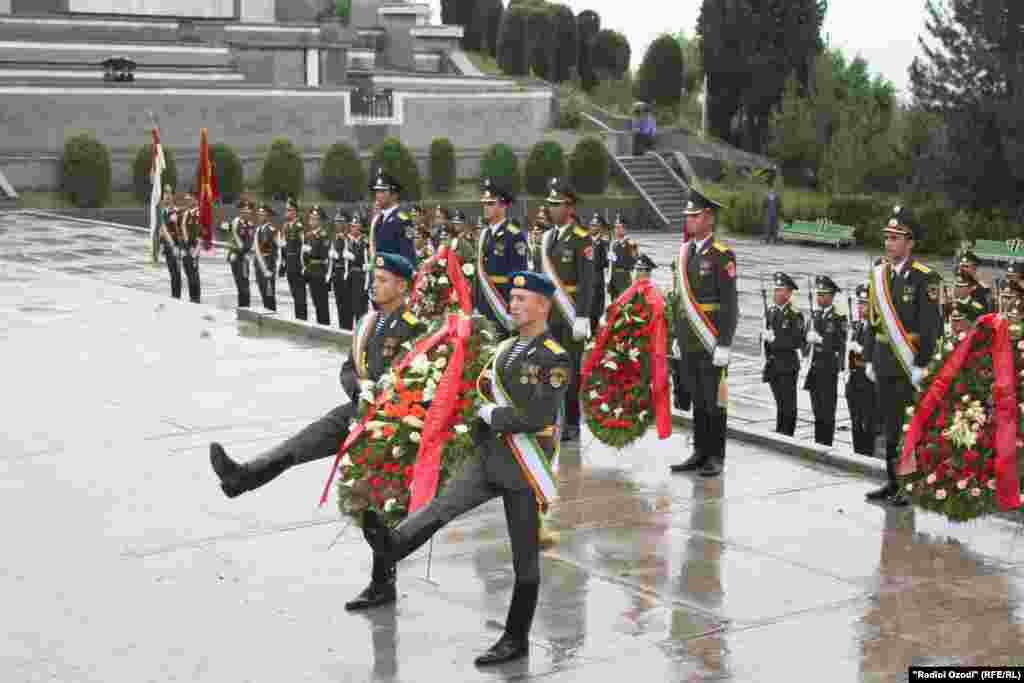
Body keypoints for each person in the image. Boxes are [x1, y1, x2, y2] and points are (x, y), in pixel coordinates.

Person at [357, 270, 571, 667]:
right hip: (489, 455)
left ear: (543, 305)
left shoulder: (554, 355)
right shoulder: (507, 347)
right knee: (442, 505)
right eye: (513, 297)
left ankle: (515, 637)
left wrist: (494, 413)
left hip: (524, 464)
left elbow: (540, 411)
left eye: (523, 299)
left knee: (524, 557)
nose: (514, 304)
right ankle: (392, 545)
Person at [209, 253, 425, 499]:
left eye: (383, 280)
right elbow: (348, 368)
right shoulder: (368, 321)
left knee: (380, 496)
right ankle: (241, 477)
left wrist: (380, 394)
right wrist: (359, 389)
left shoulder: (414, 326)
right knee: (301, 444)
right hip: (359, 407)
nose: (374, 285)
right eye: (374, 278)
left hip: (393, 419)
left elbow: (415, 376)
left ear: (402, 286)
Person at [862, 206, 942, 506]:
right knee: (888, 427)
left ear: (910, 242)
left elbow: (930, 326)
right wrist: (869, 357)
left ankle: (908, 487)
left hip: (908, 365)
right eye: (887, 237)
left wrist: (922, 364)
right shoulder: (879, 274)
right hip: (883, 360)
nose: (889, 243)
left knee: (907, 428)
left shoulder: (925, 277)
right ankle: (892, 482)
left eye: (895, 238)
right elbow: (872, 321)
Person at [669, 188, 737, 477]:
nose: (690, 221)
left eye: (695, 216)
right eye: (688, 217)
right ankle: (699, 451)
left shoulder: (721, 255)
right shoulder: (685, 253)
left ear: (709, 218)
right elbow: (678, 299)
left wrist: (724, 343)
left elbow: (729, 303)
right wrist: (675, 336)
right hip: (688, 338)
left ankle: (715, 456)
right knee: (697, 397)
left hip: (710, 341)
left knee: (714, 401)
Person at [537, 177, 596, 442]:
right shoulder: (549, 237)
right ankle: (552, 418)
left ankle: (572, 422)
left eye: (557, 204)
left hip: (571, 315)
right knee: (549, 369)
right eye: (549, 204)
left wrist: (583, 316)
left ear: (570, 208)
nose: (551, 209)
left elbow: (588, 283)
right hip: (550, 314)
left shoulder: (583, 240)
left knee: (570, 370)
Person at [476, 178, 529, 337]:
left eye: (491, 203)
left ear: (504, 205)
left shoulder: (514, 235)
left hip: (503, 304)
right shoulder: (485, 234)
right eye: (485, 203)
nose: (486, 207)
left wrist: (515, 308)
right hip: (484, 303)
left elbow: (519, 276)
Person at [803, 275, 847, 447]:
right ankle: (817, 442)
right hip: (814, 368)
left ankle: (826, 443)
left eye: (823, 294)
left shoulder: (838, 318)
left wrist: (821, 340)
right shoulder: (815, 315)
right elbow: (804, 341)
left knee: (827, 410)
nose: (819, 298)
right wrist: (806, 338)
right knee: (816, 410)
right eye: (818, 294)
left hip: (828, 369)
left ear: (831, 297)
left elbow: (841, 343)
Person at [761, 272, 804, 437]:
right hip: (773, 364)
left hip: (787, 364)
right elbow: (766, 340)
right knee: (779, 402)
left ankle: (788, 433)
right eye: (776, 289)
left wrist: (775, 340)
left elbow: (797, 341)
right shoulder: (770, 311)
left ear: (788, 293)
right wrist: (765, 339)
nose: (776, 293)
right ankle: (780, 431)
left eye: (780, 290)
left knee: (788, 403)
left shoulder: (795, 314)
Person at [845, 284, 877, 457]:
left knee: (868, 423)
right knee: (855, 421)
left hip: (868, 381)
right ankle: (858, 454)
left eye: (864, 303)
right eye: (859, 303)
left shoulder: (877, 327)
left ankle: (867, 456)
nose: (860, 307)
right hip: (855, 380)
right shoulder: (858, 325)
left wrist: (862, 351)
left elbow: (879, 353)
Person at [368, 169, 417, 266]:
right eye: (377, 191)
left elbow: (408, 256)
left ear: (394, 195)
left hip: (396, 277)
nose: (378, 195)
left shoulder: (402, 220)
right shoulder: (379, 220)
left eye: (382, 191)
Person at [303, 205, 333, 326]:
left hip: (320, 271)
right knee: (315, 301)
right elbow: (305, 257)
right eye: (311, 218)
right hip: (311, 271)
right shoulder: (308, 235)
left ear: (320, 221)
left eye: (315, 218)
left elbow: (323, 253)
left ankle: (325, 326)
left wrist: (310, 251)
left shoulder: (323, 234)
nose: (312, 221)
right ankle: (320, 325)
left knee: (322, 303)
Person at [280, 197, 308, 320]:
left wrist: (304, 265)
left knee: (300, 294)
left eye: (290, 210)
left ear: (295, 211)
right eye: (287, 210)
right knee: (294, 293)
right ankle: (298, 318)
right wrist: (282, 264)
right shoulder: (286, 226)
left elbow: (303, 246)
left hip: (298, 264)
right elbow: (283, 248)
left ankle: (302, 318)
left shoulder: (299, 226)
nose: (288, 212)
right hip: (289, 264)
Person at [227, 198, 255, 308]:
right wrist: (234, 252)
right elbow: (233, 239)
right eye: (244, 211)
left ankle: (245, 307)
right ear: (241, 211)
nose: (246, 213)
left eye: (248, 212)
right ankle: (242, 307)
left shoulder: (251, 225)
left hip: (244, 258)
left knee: (245, 283)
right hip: (235, 256)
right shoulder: (236, 222)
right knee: (239, 283)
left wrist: (243, 252)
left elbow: (249, 241)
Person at [344, 212, 371, 329]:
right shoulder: (346, 240)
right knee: (349, 306)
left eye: (356, 225)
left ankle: (361, 331)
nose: (353, 228)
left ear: (360, 227)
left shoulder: (365, 241)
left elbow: (369, 258)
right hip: (350, 276)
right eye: (352, 226)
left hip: (361, 277)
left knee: (361, 307)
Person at [157, 185, 183, 300]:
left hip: (177, 246)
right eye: (165, 193)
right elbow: (161, 228)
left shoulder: (177, 211)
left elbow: (181, 229)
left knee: (177, 273)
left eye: (169, 193)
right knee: (173, 272)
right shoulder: (161, 212)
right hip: (169, 246)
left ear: (172, 196)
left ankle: (177, 296)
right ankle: (175, 296)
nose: (167, 196)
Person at [588, 213, 610, 333]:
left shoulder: (603, 244)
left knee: (595, 311)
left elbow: (605, 263)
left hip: (597, 281)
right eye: (591, 225)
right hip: (587, 280)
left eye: (595, 225)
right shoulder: (586, 242)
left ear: (600, 228)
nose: (592, 227)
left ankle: (594, 334)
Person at [254, 203, 278, 312]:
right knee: (263, 292)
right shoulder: (258, 230)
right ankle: (266, 312)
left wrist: (274, 267)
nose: (260, 216)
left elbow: (280, 247)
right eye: (259, 214)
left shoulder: (272, 230)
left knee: (269, 294)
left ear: (268, 216)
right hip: (259, 265)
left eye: (263, 214)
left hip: (268, 265)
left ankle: (272, 315)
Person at [608, 214, 638, 301]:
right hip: (614, 278)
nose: (616, 230)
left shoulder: (630, 243)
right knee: (613, 303)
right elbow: (611, 263)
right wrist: (609, 279)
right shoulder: (613, 244)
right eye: (615, 227)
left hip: (624, 278)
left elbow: (635, 261)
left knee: (624, 303)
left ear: (624, 229)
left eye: (619, 227)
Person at [179, 191, 202, 303]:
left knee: (193, 273)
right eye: (186, 200)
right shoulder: (186, 213)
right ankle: (192, 297)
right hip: (185, 247)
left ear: (195, 200)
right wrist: (183, 248)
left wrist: (194, 247)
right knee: (188, 271)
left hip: (194, 248)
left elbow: (200, 232)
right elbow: (182, 231)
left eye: (189, 199)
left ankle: (196, 298)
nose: (187, 201)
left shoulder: (199, 213)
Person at [331, 210, 352, 329]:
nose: (337, 224)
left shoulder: (348, 238)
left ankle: (348, 328)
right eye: (336, 221)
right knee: (339, 303)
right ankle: (342, 327)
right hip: (336, 273)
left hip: (346, 273)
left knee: (347, 304)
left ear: (346, 223)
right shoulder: (334, 237)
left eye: (340, 221)